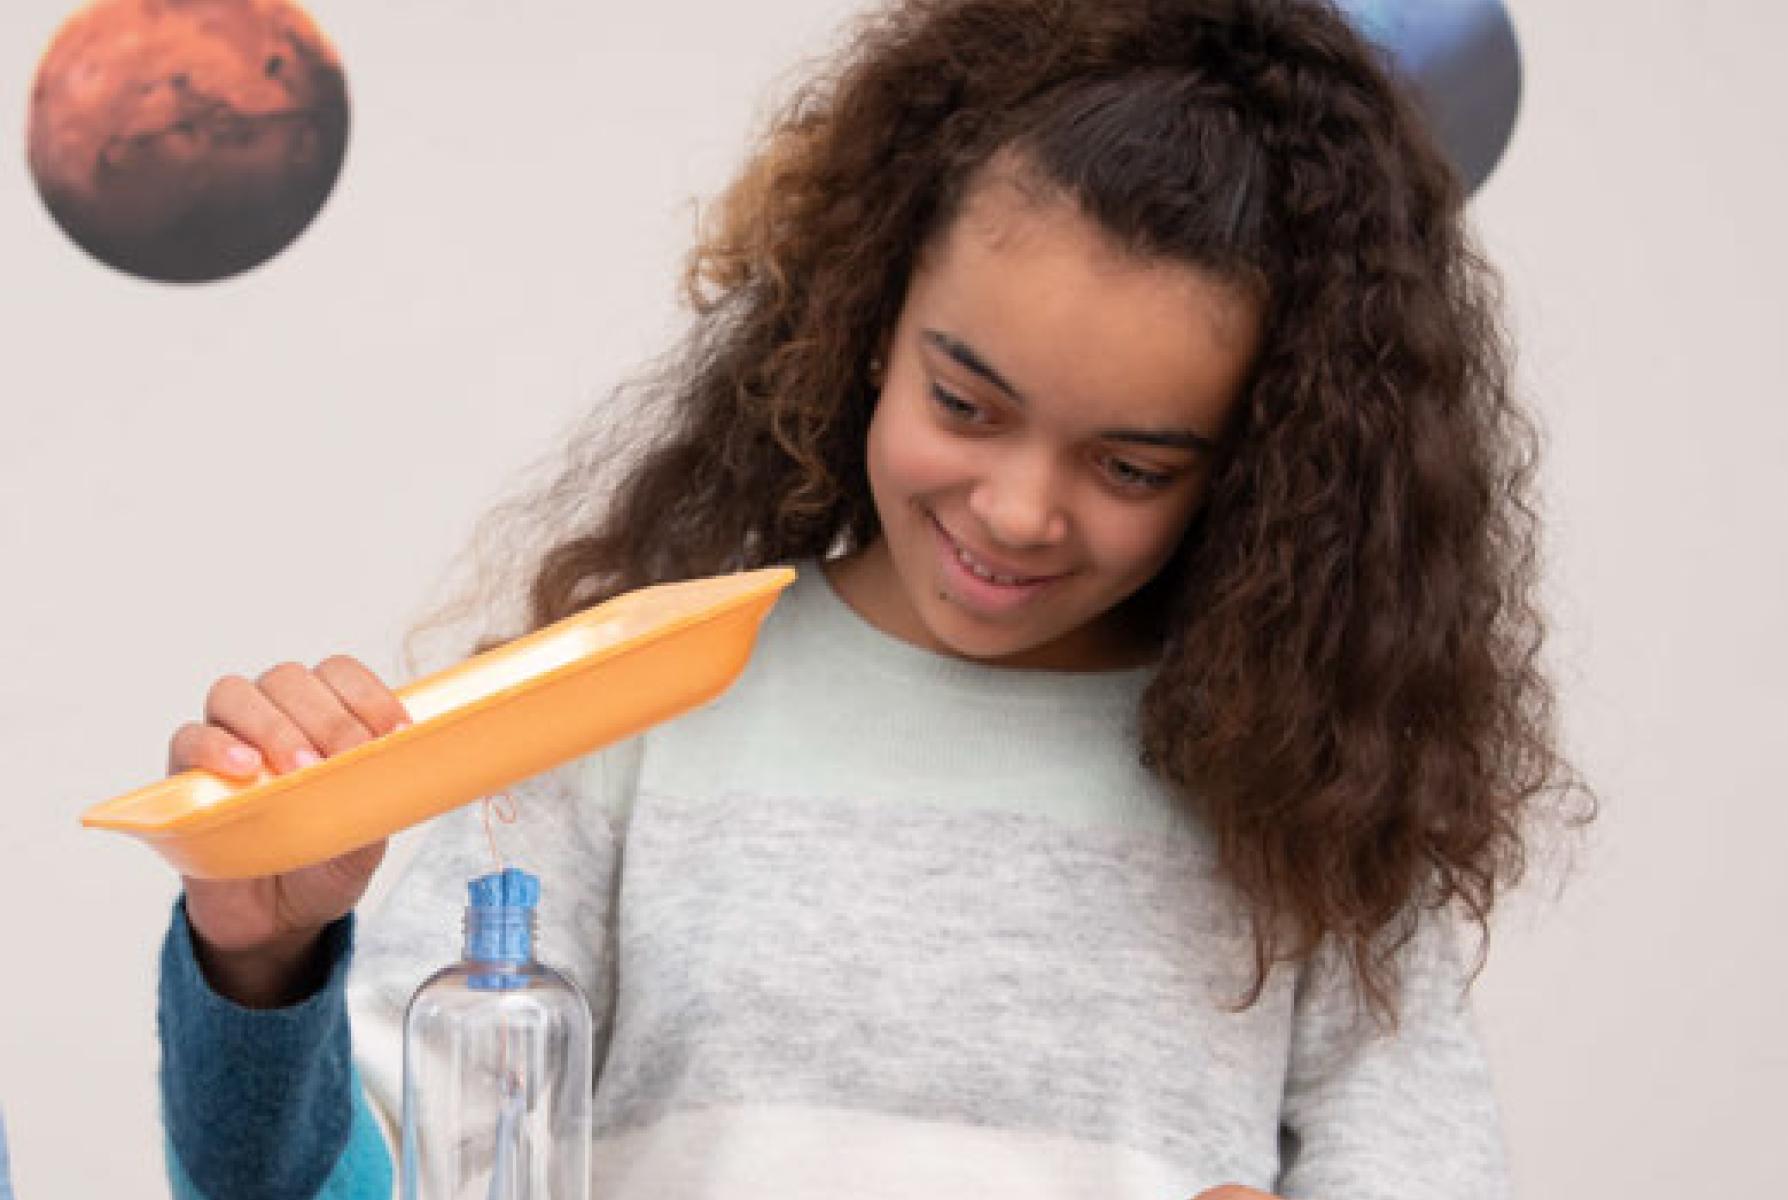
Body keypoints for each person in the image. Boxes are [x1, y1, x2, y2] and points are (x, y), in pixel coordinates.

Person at [154, 0, 1582, 1196]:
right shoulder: (618, 720)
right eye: (967, 401)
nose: (1019, 510)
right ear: (867, 318)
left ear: (1264, 469)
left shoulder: (1305, 806)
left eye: (1133, 463)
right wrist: (262, 961)